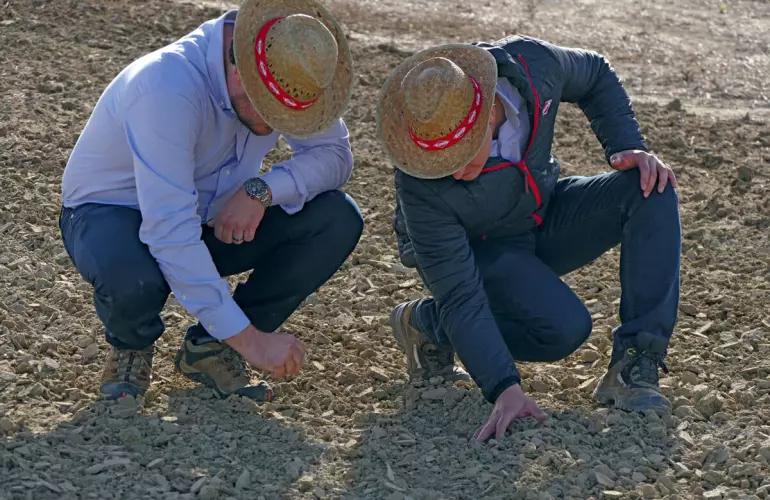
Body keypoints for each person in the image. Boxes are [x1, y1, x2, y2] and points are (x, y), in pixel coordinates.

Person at [376, 37, 681, 441]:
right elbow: (460, 295)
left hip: (537, 214)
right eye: (438, 164)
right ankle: (427, 322)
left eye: (462, 156)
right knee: (563, 330)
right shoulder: (418, 184)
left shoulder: (533, 66)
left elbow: (596, 74)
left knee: (651, 187)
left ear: (487, 112)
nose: (455, 172)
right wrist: (504, 387)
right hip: (475, 251)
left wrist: (627, 147)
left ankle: (635, 361)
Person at [58, 0, 363, 402]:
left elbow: (336, 156)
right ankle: (132, 344)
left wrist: (261, 190)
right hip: (112, 213)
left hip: (207, 213)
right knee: (132, 278)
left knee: (336, 218)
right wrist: (254, 343)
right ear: (239, 74)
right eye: (271, 113)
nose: (278, 128)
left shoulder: (287, 62)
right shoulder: (165, 86)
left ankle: (210, 348)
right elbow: (169, 230)